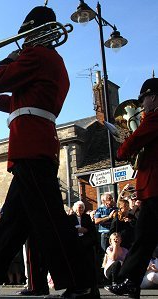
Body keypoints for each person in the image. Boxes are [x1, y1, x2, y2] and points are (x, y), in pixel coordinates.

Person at [0, 6, 92, 299]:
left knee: (51, 219)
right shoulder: (50, 61)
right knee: (12, 224)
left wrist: (9, 57)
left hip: (31, 144)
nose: (22, 42)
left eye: (26, 35)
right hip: (34, 141)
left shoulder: (37, 55)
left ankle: (81, 282)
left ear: (35, 32)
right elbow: (19, 102)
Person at [106, 77, 158, 299]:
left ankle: (129, 281)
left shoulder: (154, 117)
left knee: (144, 237)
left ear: (153, 97)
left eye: (144, 98)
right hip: (152, 188)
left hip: (155, 188)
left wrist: (122, 148)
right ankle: (131, 283)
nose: (142, 104)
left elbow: (128, 147)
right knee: (145, 238)